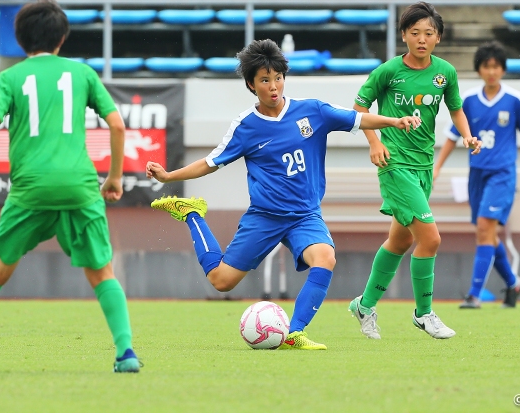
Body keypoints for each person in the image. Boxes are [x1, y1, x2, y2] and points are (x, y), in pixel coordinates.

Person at [146, 39, 421, 350]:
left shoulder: (312, 111)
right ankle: (191, 213)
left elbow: (357, 118)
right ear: (251, 85)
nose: (273, 86)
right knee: (221, 281)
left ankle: (294, 333)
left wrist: (394, 122)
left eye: (278, 77)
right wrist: (169, 176)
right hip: (265, 216)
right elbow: (211, 162)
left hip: (305, 215)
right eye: (265, 80)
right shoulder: (246, 126)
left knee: (325, 257)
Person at [0, 0, 140, 373]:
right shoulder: (82, 74)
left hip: (30, 190)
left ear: (19, 38)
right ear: (62, 37)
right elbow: (117, 125)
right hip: (79, 187)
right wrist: (113, 177)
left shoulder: (10, 78)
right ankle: (126, 353)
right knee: (102, 273)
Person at [348, 1, 481, 340]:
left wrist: (467, 136)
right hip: (394, 165)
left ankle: (364, 305)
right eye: (415, 32)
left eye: (429, 33)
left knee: (398, 240)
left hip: (423, 166)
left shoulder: (445, 73)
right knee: (431, 238)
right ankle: (424, 313)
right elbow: (359, 108)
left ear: (438, 38)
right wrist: (374, 143)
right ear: (404, 35)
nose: (422, 39)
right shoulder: (388, 71)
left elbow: (456, 110)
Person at [433, 40, 520, 309]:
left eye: (496, 67)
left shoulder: (515, 100)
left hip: (503, 174)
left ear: (503, 70)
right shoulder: (469, 100)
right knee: (487, 234)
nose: (492, 72)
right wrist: (437, 168)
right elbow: (451, 137)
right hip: (477, 175)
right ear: (479, 70)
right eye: (486, 67)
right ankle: (513, 283)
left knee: (484, 228)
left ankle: (474, 294)